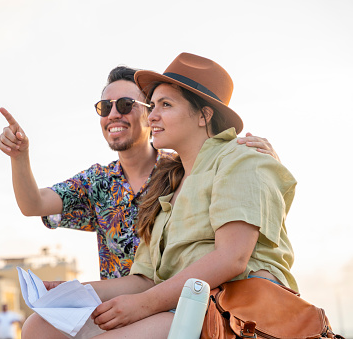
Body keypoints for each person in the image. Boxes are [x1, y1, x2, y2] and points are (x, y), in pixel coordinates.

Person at [20, 52, 298, 339]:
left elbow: (232, 258)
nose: (152, 115)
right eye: (152, 106)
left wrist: (143, 305)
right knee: (40, 327)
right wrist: (71, 292)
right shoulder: (167, 183)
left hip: (229, 309)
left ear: (204, 115)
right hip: (174, 306)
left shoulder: (241, 160)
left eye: (165, 105)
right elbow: (145, 279)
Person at [0, 66, 278, 280]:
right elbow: (33, 204)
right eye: (105, 107)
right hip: (121, 308)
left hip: (183, 304)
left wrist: (267, 160)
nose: (113, 114)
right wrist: (20, 157)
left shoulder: (187, 169)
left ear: (148, 113)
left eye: (125, 105)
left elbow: (245, 215)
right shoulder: (97, 183)